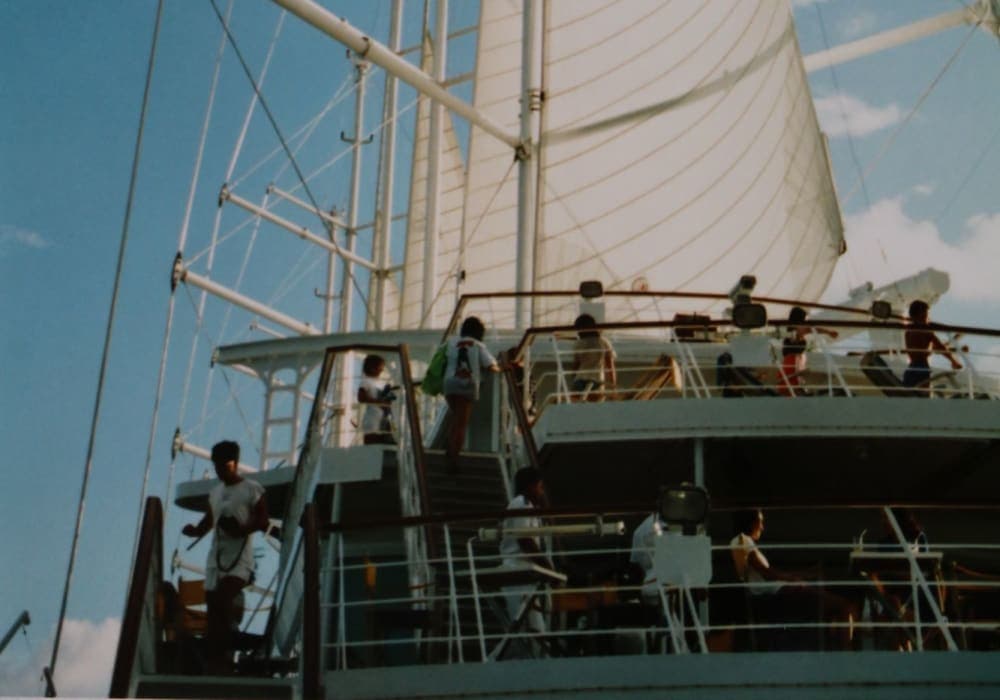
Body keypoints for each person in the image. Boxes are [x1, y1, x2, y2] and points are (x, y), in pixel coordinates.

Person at [182, 440, 268, 673]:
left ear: (235, 463)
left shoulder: (252, 489)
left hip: (240, 559)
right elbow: (209, 521)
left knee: (222, 599)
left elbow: (262, 519)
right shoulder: (215, 493)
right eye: (217, 465)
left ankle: (230, 649)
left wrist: (241, 530)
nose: (220, 470)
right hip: (216, 559)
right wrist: (195, 531)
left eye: (224, 465)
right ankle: (219, 658)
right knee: (213, 608)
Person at [731, 509, 857, 649]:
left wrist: (802, 575)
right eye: (760, 522)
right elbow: (767, 573)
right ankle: (847, 653)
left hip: (779, 591)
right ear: (750, 523)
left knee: (832, 608)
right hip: (780, 593)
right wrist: (796, 578)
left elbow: (766, 574)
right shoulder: (743, 540)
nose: (762, 527)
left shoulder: (740, 542)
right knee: (844, 606)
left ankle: (833, 649)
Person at [499, 467, 552, 653]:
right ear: (530, 486)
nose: (541, 492)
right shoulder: (520, 504)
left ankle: (533, 659)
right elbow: (525, 540)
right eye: (540, 487)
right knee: (523, 626)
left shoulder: (528, 507)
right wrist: (548, 567)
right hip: (516, 572)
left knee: (532, 625)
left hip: (524, 573)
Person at [443, 316, 500, 472]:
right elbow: (490, 365)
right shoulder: (478, 345)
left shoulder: (451, 343)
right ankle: (453, 458)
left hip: (449, 384)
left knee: (456, 418)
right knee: (461, 424)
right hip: (466, 385)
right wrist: (503, 368)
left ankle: (450, 446)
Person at [903, 300, 961, 393]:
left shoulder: (908, 330)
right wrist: (953, 361)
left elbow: (926, 347)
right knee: (923, 395)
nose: (928, 318)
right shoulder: (925, 330)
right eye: (926, 315)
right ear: (921, 315)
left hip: (911, 369)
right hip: (921, 367)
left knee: (907, 394)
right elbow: (940, 347)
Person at [778, 306, 838, 396]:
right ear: (800, 319)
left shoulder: (791, 330)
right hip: (794, 364)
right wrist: (828, 332)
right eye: (806, 319)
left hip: (793, 363)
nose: (807, 321)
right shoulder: (797, 329)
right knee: (794, 390)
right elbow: (811, 329)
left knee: (793, 391)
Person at [570, 314, 617, 401]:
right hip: (596, 380)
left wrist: (571, 378)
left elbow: (576, 366)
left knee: (576, 405)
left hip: (580, 379)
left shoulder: (579, 344)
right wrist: (613, 385)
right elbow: (610, 366)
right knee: (594, 406)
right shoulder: (603, 342)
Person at [357, 354, 397, 445]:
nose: (382, 370)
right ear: (372, 368)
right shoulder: (366, 381)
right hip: (372, 420)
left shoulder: (379, 382)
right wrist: (379, 402)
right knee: (373, 444)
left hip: (383, 420)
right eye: (380, 367)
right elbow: (361, 397)